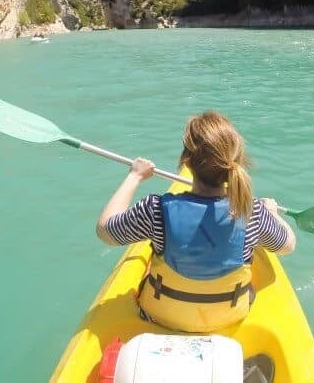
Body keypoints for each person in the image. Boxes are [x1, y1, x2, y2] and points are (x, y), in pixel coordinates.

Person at [96, 110, 296, 333]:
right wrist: (273, 213)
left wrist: (134, 176)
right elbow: (288, 246)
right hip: (228, 318)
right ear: (236, 161)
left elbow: (105, 231)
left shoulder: (155, 210)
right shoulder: (254, 213)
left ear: (186, 162)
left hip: (161, 318)